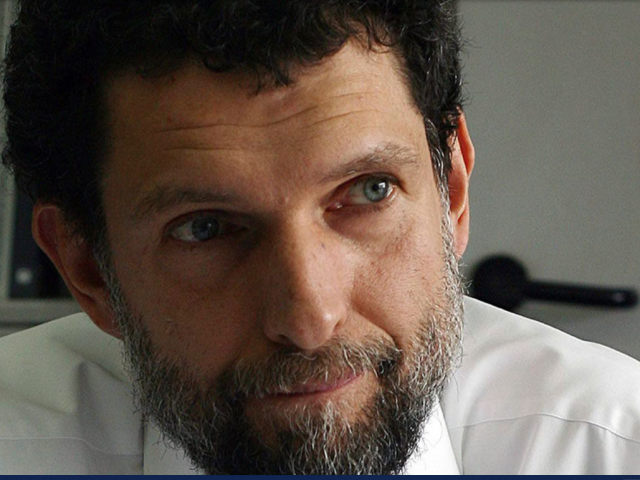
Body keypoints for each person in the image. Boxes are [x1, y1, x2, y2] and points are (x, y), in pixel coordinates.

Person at [1, 0, 639, 475]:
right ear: (87, 268)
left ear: (450, 192)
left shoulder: (613, 450)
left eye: (369, 191)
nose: (309, 320)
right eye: (205, 228)